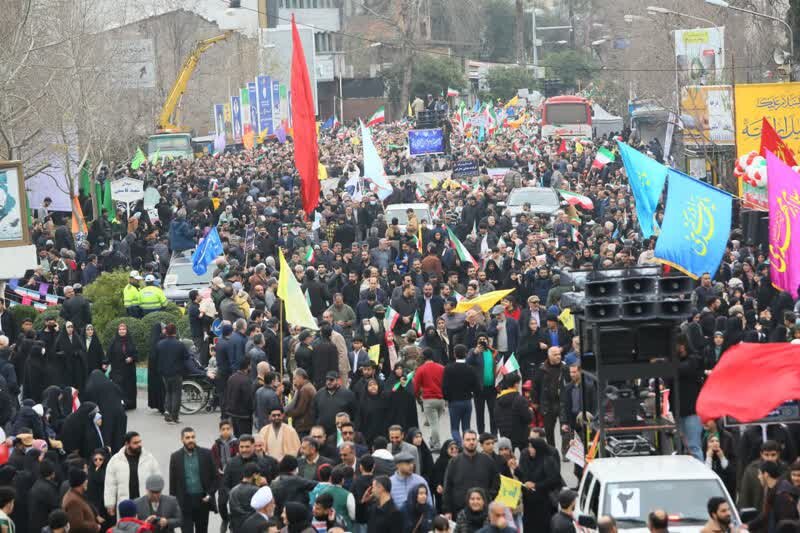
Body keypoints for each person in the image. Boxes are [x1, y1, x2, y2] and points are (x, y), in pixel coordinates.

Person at [168, 427, 217, 533]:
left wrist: (209, 495)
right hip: (184, 502)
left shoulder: (206, 454)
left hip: (202, 501)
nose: (191, 440)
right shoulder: (175, 457)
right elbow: (173, 482)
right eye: (187, 438)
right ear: (182, 439)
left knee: (202, 530)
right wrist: (173, 504)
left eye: (193, 437)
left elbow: (216, 477)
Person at [442, 430, 500, 518]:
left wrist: (488, 498)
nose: (471, 442)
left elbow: (496, 483)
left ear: (477, 441)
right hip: (460, 511)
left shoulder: (487, 460)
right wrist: (447, 510)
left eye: (473, 439)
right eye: (468, 440)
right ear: (463, 442)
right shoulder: (454, 462)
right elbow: (447, 488)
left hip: (484, 511)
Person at [104, 432, 161, 518]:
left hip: (145, 502)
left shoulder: (149, 458)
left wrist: (157, 501)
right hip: (125, 504)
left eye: (140, 442)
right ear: (127, 444)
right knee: (127, 525)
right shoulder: (115, 460)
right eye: (135, 443)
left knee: (145, 525)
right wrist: (110, 504)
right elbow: (110, 484)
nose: (139, 445)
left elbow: (157, 480)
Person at [442, 344, 480, 446]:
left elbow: (444, 386)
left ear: (454, 354)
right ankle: (467, 445)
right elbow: (477, 387)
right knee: (466, 427)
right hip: (467, 401)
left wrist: (447, 398)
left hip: (454, 401)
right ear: (466, 354)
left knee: (454, 428)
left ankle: (460, 445)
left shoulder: (448, 368)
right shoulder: (470, 369)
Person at [156, 323, 189, 425]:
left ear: (166, 332)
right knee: (176, 394)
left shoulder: (160, 344)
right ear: (175, 332)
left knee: (168, 392)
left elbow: (156, 357)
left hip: (164, 373)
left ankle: (167, 410)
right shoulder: (180, 344)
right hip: (176, 372)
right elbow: (186, 357)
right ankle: (174, 416)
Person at [412, 350, 445, 449]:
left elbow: (416, 386)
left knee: (434, 424)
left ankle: (437, 444)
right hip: (441, 399)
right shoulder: (441, 368)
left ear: (423, 357)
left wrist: (417, 397)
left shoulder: (421, 369)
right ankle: (432, 440)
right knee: (435, 423)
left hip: (429, 399)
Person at [494, 373, 533, 452]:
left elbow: (495, 416)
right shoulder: (520, 399)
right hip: (521, 434)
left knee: (508, 456)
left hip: (505, 433)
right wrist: (530, 411)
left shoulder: (498, 399)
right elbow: (528, 418)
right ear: (516, 384)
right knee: (525, 456)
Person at [107, 323, 139, 410]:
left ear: (126, 330)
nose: (122, 331)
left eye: (123, 329)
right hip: (117, 369)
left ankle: (129, 404)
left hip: (129, 370)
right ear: (118, 331)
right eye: (120, 329)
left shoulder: (131, 341)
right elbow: (109, 354)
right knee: (118, 387)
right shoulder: (114, 341)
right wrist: (106, 363)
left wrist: (131, 358)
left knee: (129, 388)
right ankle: (120, 404)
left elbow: (136, 354)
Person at [62, 468, 102, 533]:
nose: (87, 481)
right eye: (85, 480)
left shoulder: (76, 495)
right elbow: (77, 525)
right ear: (81, 482)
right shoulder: (73, 501)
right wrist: (95, 526)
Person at [224, 356, 255, 436]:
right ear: (248, 366)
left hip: (233, 414)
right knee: (245, 437)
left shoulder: (231, 378)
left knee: (237, 436)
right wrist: (252, 411)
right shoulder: (246, 380)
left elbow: (228, 395)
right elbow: (248, 399)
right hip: (244, 415)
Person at [228, 463, 263, 532]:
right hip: (252, 527)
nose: (259, 478)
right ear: (254, 475)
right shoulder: (257, 491)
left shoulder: (233, 490)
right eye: (259, 475)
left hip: (236, 527)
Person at [29, 459, 60, 533]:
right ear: (52, 473)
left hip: (35, 525)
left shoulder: (36, 484)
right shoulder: (49, 489)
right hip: (45, 527)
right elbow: (55, 509)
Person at [285, 369, 316, 438]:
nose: (293, 381)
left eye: (294, 378)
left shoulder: (305, 389)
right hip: (307, 425)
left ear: (301, 377)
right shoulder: (308, 387)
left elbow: (300, 410)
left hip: (304, 426)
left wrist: (286, 414)